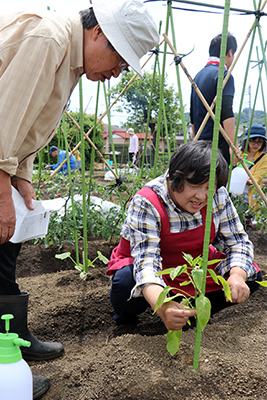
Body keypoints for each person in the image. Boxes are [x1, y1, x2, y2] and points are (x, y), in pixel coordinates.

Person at [0, 1, 160, 398]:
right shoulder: (49, 39)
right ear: (98, 33)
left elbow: (30, 119)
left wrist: (21, 177)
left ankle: (11, 343)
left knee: (5, 249)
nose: (116, 74)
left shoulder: (69, 60)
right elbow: (4, 116)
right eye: (121, 60)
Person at [106, 141, 262, 342]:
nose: (201, 196)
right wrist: (163, 307)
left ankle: (194, 314)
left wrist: (237, 276)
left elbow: (238, 242)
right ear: (174, 178)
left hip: (192, 265)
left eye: (208, 187)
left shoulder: (218, 196)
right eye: (194, 185)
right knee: (125, 281)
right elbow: (146, 264)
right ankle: (126, 322)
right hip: (153, 267)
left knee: (251, 276)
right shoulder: (147, 201)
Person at [190, 33, 237, 164]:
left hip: (201, 147)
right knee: (219, 183)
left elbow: (192, 117)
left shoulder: (197, 76)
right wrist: (234, 147)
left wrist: (196, 142)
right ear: (229, 52)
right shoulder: (223, 75)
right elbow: (227, 113)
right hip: (218, 146)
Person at [239, 124, 267, 227]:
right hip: (235, 194)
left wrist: (245, 180)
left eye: (259, 142)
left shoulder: (264, 158)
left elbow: (257, 177)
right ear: (247, 140)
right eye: (253, 140)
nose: (256, 144)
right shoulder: (238, 153)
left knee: (246, 220)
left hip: (250, 196)